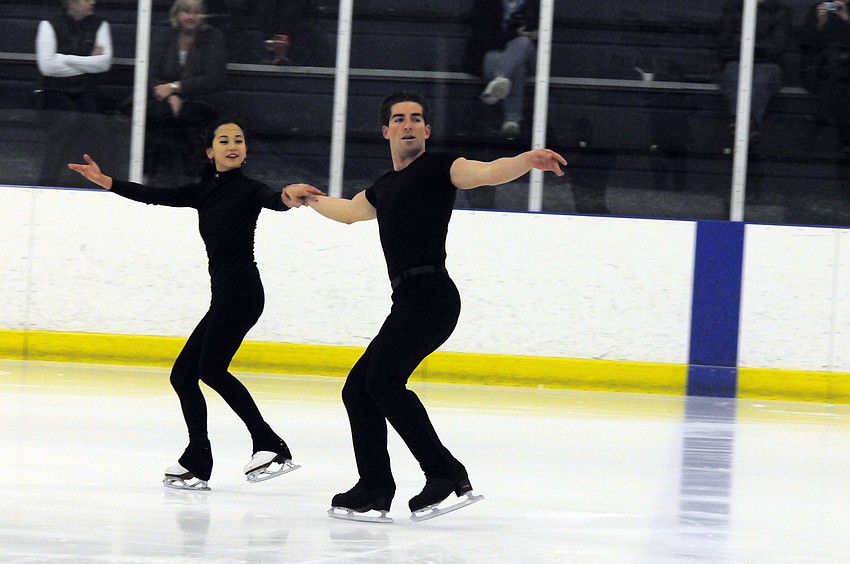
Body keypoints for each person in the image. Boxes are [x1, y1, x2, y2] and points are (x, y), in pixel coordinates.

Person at [287, 91, 566, 522]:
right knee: (358, 390)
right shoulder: (384, 186)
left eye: (416, 118)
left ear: (427, 130)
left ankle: (444, 472)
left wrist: (526, 160)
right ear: (386, 131)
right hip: (408, 301)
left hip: (432, 297)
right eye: (399, 119)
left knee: (382, 382)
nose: (408, 124)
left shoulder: (441, 167)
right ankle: (375, 488)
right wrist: (306, 198)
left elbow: (486, 172)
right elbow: (348, 211)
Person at [68, 119, 324, 490]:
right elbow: (154, 194)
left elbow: (275, 200)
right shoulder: (203, 192)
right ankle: (198, 457)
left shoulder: (250, 189)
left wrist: (288, 194)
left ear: (245, 151)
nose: (232, 145)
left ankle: (269, 443)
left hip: (242, 293)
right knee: (184, 375)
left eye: (238, 140)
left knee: (211, 371)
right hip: (227, 296)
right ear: (210, 151)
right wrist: (107, 181)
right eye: (224, 140)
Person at [35, 0, 112, 187]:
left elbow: (104, 63)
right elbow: (47, 67)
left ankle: (99, 184)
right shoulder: (49, 24)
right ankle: (48, 182)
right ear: (71, 2)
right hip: (53, 91)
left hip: (86, 91)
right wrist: (88, 62)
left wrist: (64, 59)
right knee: (66, 120)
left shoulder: (100, 25)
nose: (92, 2)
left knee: (97, 126)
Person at [146, 0, 226, 180]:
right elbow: (150, 74)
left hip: (201, 99)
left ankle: (196, 179)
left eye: (196, 12)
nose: (191, 17)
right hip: (164, 98)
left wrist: (175, 88)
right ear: (176, 15)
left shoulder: (213, 37)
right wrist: (171, 96)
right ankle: (146, 176)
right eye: (186, 12)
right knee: (157, 116)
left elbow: (213, 78)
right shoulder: (164, 35)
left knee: (191, 119)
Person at [462, 0, 539, 141]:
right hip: (493, 57)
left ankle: (498, 81)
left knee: (523, 43)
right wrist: (514, 33)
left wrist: (533, 34)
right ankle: (511, 121)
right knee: (516, 67)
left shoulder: (534, 4)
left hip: (526, 54)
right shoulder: (486, 4)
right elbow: (484, 38)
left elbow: (542, 35)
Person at [717, 0, 792, 142]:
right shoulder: (733, 8)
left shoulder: (780, 11)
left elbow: (776, 47)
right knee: (733, 74)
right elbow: (724, 42)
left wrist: (745, 41)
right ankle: (746, 123)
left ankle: (745, 123)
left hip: (768, 64)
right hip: (736, 61)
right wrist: (758, 44)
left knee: (763, 78)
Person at [800, 0, 850, 152]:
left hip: (841, 70)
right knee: (835, 70)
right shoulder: (817, 9)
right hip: (820, 69)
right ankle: (845, 138)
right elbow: (806, 43)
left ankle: (819, 120)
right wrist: (821, 22)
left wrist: (846, 18)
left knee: (837, 76)